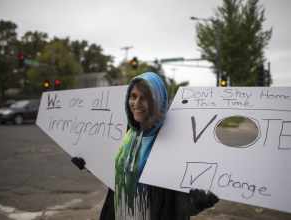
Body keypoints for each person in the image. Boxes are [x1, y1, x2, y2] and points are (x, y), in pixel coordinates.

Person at [73, 72, 218, 220]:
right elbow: (116, 172)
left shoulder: (174, 140)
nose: (136, 103)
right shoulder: (127, 134)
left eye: (144, 98)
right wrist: (89, 162)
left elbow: (177, 203)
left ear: (157, 101)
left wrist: (198, 201)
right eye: (133, 96)